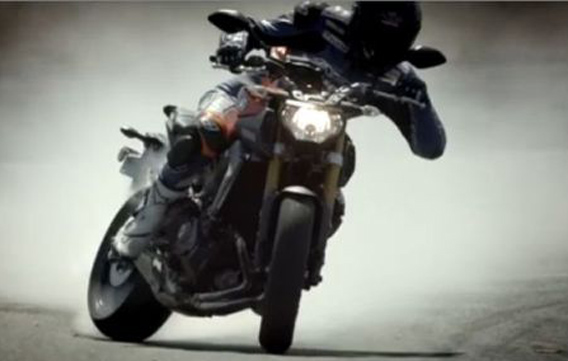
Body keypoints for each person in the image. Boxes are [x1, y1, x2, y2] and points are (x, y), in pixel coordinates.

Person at [113, 1, 446, 259]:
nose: (377, 49)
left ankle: (287, 260)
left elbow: (431, 148)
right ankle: (147, 218)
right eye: (375, 35)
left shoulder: (401, 77)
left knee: (338, 187)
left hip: (319, 129)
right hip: (254, 96)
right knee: (208, 132)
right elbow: (258, 29)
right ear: (361, 21)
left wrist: (421, 104)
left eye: (392, 41)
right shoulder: (323, 22)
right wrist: (238, 40)